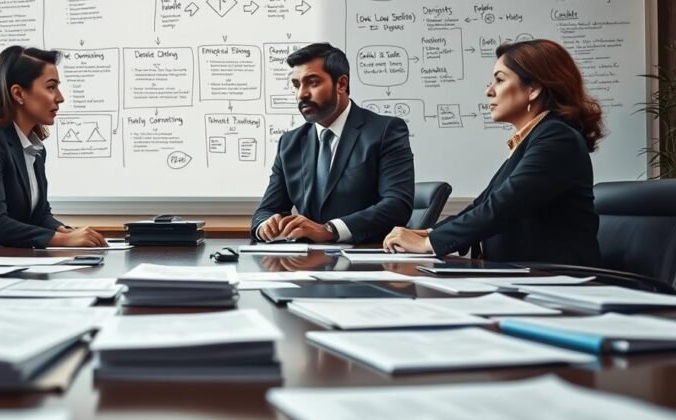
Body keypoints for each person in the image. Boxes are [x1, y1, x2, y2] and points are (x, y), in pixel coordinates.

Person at [383, 39, 603, 265]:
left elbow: (504, 205)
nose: (489, 91)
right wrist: (429, 234)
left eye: (499, 80)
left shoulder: (557, 137)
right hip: (525, 279)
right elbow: (482, 204)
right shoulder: (534, 138)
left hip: (558, 284)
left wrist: (429, 243)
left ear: (534, 89)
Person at [0, 46, 106, 248]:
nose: (60, 97)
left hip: (5, 259)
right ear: (18, 93)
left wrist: (68, 232)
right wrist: (62, 240)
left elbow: (40, 214)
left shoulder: (34, 148)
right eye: (51, 87)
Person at [251, 43, 415, 244]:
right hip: (305, 263)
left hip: (368, 258)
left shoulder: (384, 131)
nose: (301, 94)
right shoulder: (290, 143)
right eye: (296, 85)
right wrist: (265, 226)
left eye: (312, 83)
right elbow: (267, 209)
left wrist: (330, 230)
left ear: (341, 84)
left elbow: (397, 205)